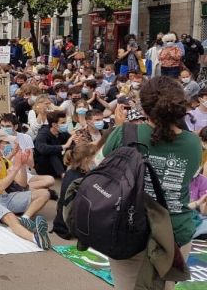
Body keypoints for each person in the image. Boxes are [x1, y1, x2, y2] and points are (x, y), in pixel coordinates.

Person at [102, 76, 201, 289]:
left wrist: (121, 129)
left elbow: (104, 166)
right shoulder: (193, 143)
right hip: (174, 233)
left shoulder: (125, 133)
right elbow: (189, 175)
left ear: (144, 109)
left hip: (129, 227)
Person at [0, 128, 52, 250]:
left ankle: (25, 219)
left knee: (44, 193)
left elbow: (22, 183)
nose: (8, 145)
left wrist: (22, 165)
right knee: (10, 217)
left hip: (4, 197)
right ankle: (35, 239)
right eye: (5, 143)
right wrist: (15, 167)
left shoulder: (4, 161)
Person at [53, 132, 97, 240]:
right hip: (69, 226)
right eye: (93, 158)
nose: (94, 161)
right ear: (86, 160)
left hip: (60, 222)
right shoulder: (81, 179)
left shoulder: (70, 172)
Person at [33, 110, 73, 178]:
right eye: (63, 123)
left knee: (73, 148)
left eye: (65, 122)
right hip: (44, 167)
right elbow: (42, 149)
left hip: (57, 166)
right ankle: (64, 176)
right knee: (52, 152)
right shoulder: (43, 134)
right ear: (54, 124)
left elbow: (70, 141)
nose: (65, 124)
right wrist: (64, 146)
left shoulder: (62, 132)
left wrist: (75, 139)